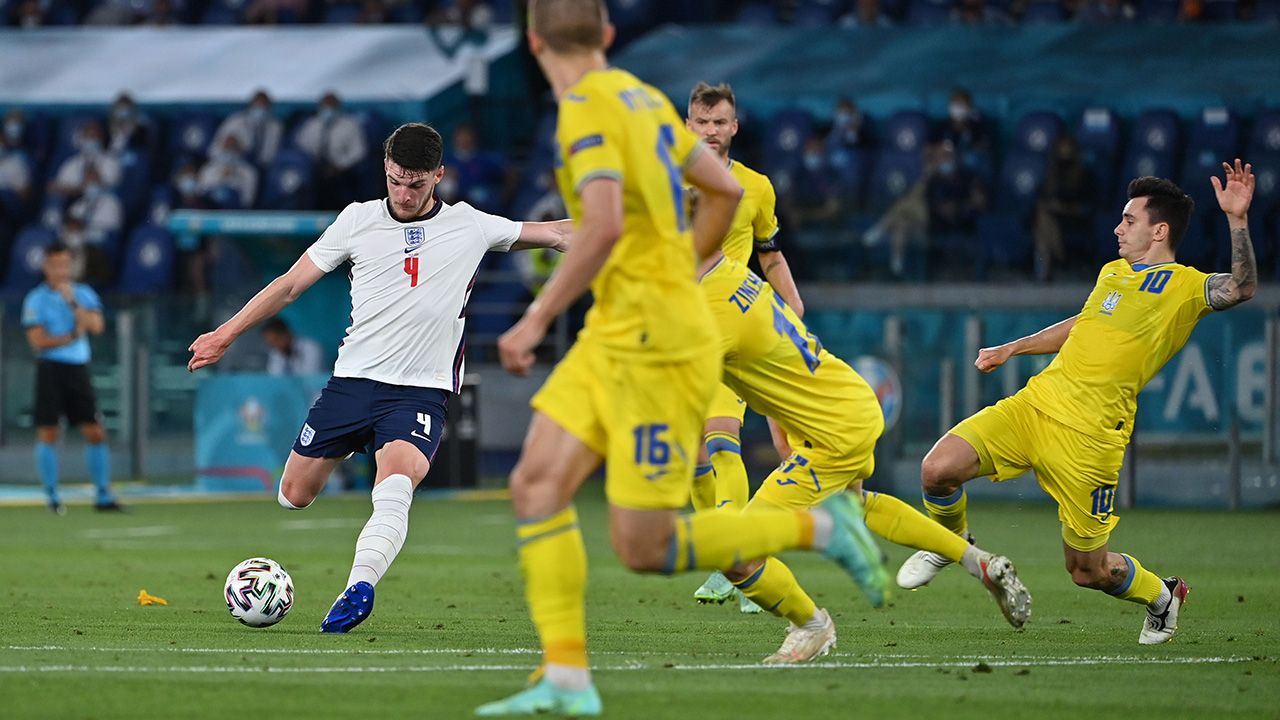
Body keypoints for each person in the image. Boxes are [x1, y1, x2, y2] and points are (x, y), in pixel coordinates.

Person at [476, 2, 885, 715]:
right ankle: (567, 681)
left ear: (533, 41)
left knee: (645, 543)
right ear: (607, 35)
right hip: (619, 327)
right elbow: (725, 192)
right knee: (536, 486)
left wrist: (534, 318)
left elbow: (600, 226)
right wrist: (686, 261)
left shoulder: (584, 112)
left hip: (657, 337)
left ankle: (818, 528)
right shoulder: (642, 98)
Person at [187, 122, 573, 634]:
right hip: (351, 383)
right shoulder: (356, 221)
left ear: (439, 175)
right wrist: (226, 333)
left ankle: (358, 587)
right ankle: (355, 444)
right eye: (395, 180)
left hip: (420, 390)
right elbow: (288, 286)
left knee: (395, 486)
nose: (405, 193)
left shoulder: (471, 225)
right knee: (293, 495)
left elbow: (559, 233)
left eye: (416, 183)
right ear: (385, 171)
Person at [898, 161, 1259, 645]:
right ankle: (950, 544)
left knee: (1086, 571)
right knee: (936, 469)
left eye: (1129, 220)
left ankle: (1162, 595)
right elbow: (1082, 324)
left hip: (1091, 439)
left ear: (1160, 230)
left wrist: (1237, 220)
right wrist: (1014, 348)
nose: (1118, 227)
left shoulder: (1185, 287)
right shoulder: (1113, 273)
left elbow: (1241, 287)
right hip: (1036, 406)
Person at [681, 81, 805, 612]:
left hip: (730, 329)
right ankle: (726, 555)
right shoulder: (665, 180)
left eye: (720, 122)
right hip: (674, 332)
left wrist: (795, 313)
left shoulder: (755, 187)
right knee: (689, 460)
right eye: (703, 122)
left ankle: (739, 560)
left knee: (723, 440)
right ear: (689, 124)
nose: (711, 131)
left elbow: (770, 255)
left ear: (735, 126)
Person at [21, 243, 122, 514]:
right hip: (50, 368)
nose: (61, 270)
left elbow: (97, 326)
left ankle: (103, 496)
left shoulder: (83, 294)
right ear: (46, 267)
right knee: (49, 431)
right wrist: (72, 336)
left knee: (95, 431)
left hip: (78, 368)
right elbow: (38, 341)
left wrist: (73, 302)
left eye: (65, 264)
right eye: (56, 265)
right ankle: (52, 497)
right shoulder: (35, 299)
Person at [293, 92, 368, 210]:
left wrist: (339, 166)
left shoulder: (350, 125)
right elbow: (300, 149)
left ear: (338, 107)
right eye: (325, 106)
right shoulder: (311, 125)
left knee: (336, 185)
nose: (328, 110)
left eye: (331, 106)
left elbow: (359, 152)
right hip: (313, 168)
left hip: (341, 169)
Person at [211, 90, 283, 169]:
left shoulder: (275, 126)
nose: (260, 109)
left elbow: (272, 152)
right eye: (258, 105)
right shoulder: (235, 121)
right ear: (251, 105)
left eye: (264, 106)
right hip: (237, 164)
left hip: (265, 166)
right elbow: (217, 148)